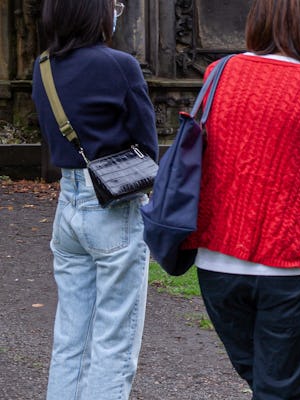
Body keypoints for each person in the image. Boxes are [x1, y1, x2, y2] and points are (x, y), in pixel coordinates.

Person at [179, 0, 300, 398]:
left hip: (217, 263)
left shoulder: (217, 74)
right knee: (278, 387)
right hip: (289, 267)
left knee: (262, 378)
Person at [31, 0, 156, 399]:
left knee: (71, 336)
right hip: (113, 206)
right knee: (114, 342)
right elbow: (147, 146)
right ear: (96, 12)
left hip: (67, 203)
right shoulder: (120, 65)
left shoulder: (43, 66)